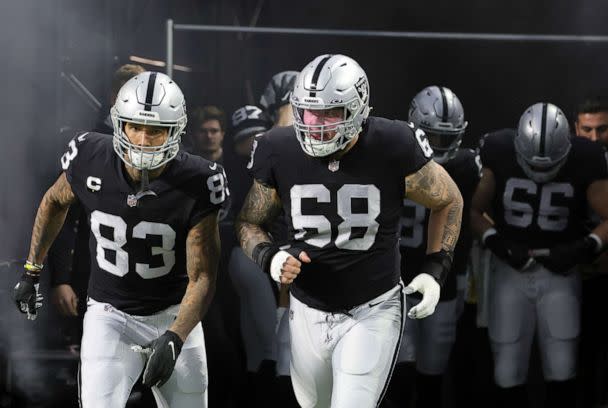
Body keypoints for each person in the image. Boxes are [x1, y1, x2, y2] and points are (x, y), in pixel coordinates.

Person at [236, 54, 463, 408]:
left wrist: (437, 270)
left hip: (372, 307)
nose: (317, 125)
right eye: (310, 113)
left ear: (358, 109)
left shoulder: (393, 143)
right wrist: (269, 256)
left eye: (330, 113)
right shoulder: (277, 147)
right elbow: (249, 221)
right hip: (308, 307)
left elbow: (449, 200)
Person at [13, 71, 227, 407]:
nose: (142, 139)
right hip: (110, 315)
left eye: (155, 130)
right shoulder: (89, 155)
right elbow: (54, 201)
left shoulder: (199, 179)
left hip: (174, 313)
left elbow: (203, 276)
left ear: (175, 132)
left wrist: (175, 336)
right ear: (118, 124)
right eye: (134, 126)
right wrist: (32, 269)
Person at [470, 103, 608, 408]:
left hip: (559, 273)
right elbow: (473, 211)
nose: (541, 171)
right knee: (507, 365)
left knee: (562, 363)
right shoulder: (500, 150)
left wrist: (584, 247)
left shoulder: (586, 157)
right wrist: (497, 243)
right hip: (510, 270)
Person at [388, 86, 480, 408]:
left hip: (440, 280)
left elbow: (470, 223)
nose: (439, 146)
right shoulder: (390, 158)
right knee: (399, 370)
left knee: (433, 370)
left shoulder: (467, 167)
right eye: (433, 137)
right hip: (395, 282)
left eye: (446, 138)